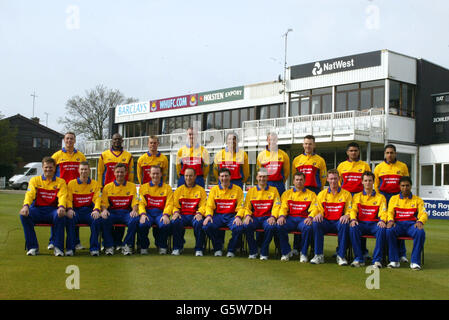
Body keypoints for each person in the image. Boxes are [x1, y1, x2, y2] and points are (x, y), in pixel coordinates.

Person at [19, 157, 67, 256]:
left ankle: (58, 248)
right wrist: (25, 206)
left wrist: (62, 207)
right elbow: (30, 194)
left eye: (50, 167)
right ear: (42, 167)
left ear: (54, 168)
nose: (48, 169)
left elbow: (62, 196)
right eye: (46, 167)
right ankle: (33, 247)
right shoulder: (35, 180)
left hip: (53, 211)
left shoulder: (61, 182)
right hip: (38, 210)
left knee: (61, 215)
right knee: (24, 215)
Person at [49, 131, 87, 250]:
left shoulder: (80, 156)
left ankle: (76, 242)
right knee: (57, 215)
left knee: (73, 215)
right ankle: (53, 241)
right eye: (67, 139)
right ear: (64, 140)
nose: (69, 141)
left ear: (75, 141)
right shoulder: (56, 156)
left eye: (71, 139)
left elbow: (83, 172)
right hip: (60, 190)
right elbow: (51, 172)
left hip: (75, 190)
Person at [97, 133, 135, 250]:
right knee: (106, 216)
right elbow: (100, 173)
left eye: (119, 139)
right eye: (115, 139)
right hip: (108, 191)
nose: (117, 141)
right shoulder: (104, 155)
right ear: (111, 141)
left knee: (122, 215)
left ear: (122, 141)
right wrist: (100, 187)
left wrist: (128, 186)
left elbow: (131, 173)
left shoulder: (128, 156)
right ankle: (107, 242)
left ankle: (118, 242)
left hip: (123, 189)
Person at [374, 144, 410, 262]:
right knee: (385, 224)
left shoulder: (403, 166)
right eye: (387, 153)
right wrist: (380, 197)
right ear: (385, 154)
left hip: (397, 199)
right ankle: (385, 252)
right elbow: (376, 184)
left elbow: (406, 182)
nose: (389, 155)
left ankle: (401, 254)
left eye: (392, 152)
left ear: (395, 154)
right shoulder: (379, 167)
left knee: (399, 224)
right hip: (384, 197)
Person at [291, 134, 327, 254]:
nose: (308, 146)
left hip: (315, 191)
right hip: (300, 191)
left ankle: (311, 247)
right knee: (298, 216)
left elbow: (323, 177)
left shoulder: (320, 160)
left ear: (314, 145)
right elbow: (293, 175)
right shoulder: (297, 160)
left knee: (311, 220)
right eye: (306, 143)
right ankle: (296, 247)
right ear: (303, 145)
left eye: (310, 144)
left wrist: (319, 189)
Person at [310, 169, 352, 266]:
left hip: (338, 222)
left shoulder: (346, 194)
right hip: (326, 222)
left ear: (339, 179)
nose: (333, 181)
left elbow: (350, 209)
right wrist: (319, 214)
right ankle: (318, 255)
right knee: (316, 223)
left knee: (345, 223)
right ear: (328, 179)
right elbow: (317, 208)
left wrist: (347, 215)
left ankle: (341, 256)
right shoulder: (321, 194)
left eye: (335, 178)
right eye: (331, 179)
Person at [337, 142, 371, 259]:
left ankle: (363, 250)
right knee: (344, 223)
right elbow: (339, 182)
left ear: (359, 152)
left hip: (360, 197)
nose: (353, 153)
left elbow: (367, 180)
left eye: (355, 150)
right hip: (345, 197)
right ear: (347, 152)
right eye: (351, 151)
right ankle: (341, 250)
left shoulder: (365, 165)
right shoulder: (341, 166)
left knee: (360, 222)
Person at [386, 176, 427, 270]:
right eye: (403, 186)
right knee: (389, 231)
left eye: (407, 186)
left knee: (420, 232)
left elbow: (423, 213)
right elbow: (390, 212)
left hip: (411, 226)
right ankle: (394, 261)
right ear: (399, 187)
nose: (405, 188)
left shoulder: (418, 200)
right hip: (398, 225)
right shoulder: (393, 199)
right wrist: (391, 220)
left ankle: (415, 262)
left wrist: (420, 221)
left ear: (411, 186)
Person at [203, 167, 245, 257]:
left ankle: (231, 249)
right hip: (218, 216)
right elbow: (209, 206)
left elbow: (241, 206)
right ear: (219, 178)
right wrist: (209, 216)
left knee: (239, 227)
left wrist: (238, 217)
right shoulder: (214, 190)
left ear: (230, 177)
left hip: (232, 216)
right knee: (207, 226)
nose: (224, 178)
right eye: (222, 176)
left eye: (226, 176)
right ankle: (218, 247)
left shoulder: (238, 189)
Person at [277, 171, 318, 262]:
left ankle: (303, 253)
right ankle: (286, 252)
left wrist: (310, 217)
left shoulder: (311, 194)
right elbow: (283, 207)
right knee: (280, 225)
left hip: (303, 219)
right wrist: (282, 216)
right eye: (297, 180)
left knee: (308, 227)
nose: (299, 182)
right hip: (290, 219)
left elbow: (315, 208)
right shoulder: (286, 194)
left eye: (301, 180)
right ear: (293, 181)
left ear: (304, 181)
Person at [349, 171, 387, 268]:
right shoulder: (357, 196)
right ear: (362, 182)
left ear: (373, 182)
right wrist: (353, 219)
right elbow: (353, 210)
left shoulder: (381, 197)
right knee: (353, 228)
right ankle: (358, 259)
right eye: (365, 180)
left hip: (374, 224)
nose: (368, 183)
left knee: (382, 229)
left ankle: (377, 260)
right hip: (361, 224)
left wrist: (382, 220)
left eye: (370, 180)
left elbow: (384, 211)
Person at [241, 168, 281, 260]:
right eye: (260, 177)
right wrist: (247, 216)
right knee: (247, 225)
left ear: (267, 178)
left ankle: (264, 251)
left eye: (264, 177)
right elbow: (247, 206)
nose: (262, 179)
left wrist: (273, 217)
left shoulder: (274, 190)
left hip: (267, 218)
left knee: (271, 227)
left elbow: (277, 206)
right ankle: (253, 251)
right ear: (256, 178)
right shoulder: (251, 191)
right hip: (255, 218)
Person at [100, 163, 139, 256]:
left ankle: (127, 245)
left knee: (134, 219)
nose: (120, 174)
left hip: (126, 213)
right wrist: (104, 210)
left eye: (122, 172)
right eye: (117, 172)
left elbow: (135, 201)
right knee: (104, 218)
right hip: (113, 213)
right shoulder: (107, 187)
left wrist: (134, 210)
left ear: (126, 173)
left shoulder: (132, 186)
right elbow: (104, 203)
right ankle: (109, 246)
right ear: (114, 173)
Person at [65, 161, 102, 256]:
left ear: (89, 170)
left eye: (86, 169)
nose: (84, 171)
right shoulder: (71, 183)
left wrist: (96, 210)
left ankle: (94, 248)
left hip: (88, 211)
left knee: (96, 219)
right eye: (82, 169)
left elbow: (97, 199)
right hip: (76, 211)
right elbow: (68, 199)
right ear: (78, 170)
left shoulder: (95, 184)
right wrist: (69, 209)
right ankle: (70, 248)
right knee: (70, 219)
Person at [171, 168, 207, 256]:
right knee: (175, 222)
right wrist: (176, 212)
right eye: (186, 176)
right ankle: (177, 247)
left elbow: (204, 205)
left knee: (199, 223)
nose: (188, 178)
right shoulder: (179, 190)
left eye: (191, 176)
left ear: (195, 177)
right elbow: (175, 205)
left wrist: (199, 213)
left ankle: (199, 249)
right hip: (182, 215)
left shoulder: (201, 190)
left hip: (195, 215)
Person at [137, 165, 173, 255]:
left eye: (157, 173)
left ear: (161, 174)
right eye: (153, 173)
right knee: (142, 225)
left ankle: (162, 246)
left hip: (160, 213)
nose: (155, 176)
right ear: (150, 174)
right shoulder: (143, 188)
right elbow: (141, 203)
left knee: (165, 224)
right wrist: (142, 214)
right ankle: (144, 246)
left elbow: (169, 204)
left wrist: (166, 215)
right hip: (148, 213)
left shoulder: (167, 188)